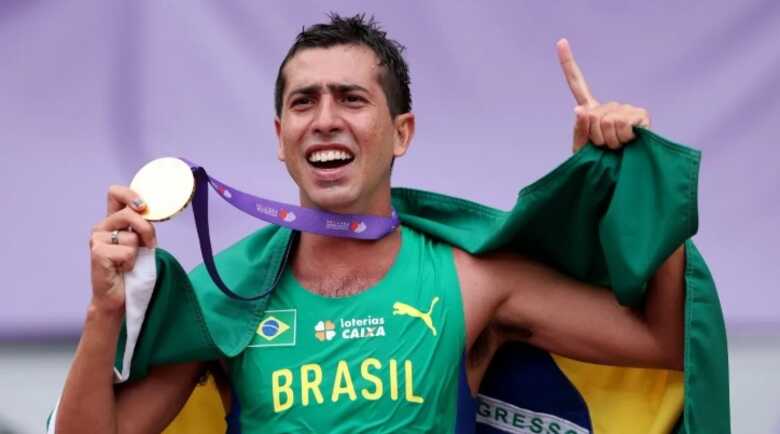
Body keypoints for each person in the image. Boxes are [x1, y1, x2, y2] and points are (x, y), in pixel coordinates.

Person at [54, 13, 686, 433]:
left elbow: (665, 340)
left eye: (352, 99)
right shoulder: (226, 300)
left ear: (401, 133)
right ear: (281, 137)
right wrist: (104, 312)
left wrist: (636, 179)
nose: (325, 120)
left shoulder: (472, 281)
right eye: (304, 102)